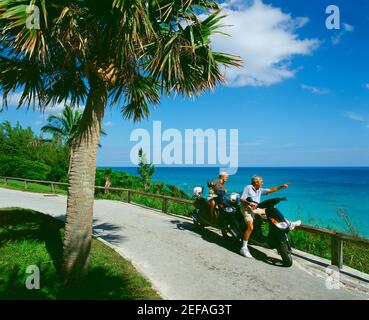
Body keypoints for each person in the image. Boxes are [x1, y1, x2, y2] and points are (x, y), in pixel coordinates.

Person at [239, 175, 301, 258]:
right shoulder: (248, 187)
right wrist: (249, 203)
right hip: (246, 209)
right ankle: (244, 248)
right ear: (256, 182)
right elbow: (242, 199)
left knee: (273, 212)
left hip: (256, 208)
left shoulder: (260, 190)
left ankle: (289, 224)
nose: (262, 183)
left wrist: (282, 186)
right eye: (261, 181)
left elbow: (272, 190)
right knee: (250, 227)